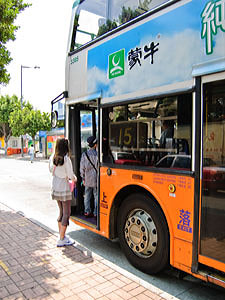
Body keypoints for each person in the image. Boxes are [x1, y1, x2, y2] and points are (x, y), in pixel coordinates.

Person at [49, 138, 77, 247]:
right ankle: (61, 239)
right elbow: (70, 175)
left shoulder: (52, 157)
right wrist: (75, 179)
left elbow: (50, 171)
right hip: (64, 188)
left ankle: (61, 236)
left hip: (55, 187)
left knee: (61, 212)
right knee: (66, 213)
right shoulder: (66, 159)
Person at [80, 136, 98, 218]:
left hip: (87, 179)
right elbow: (98, 168)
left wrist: (83, 178)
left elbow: (82, 168)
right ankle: (96, 212)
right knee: (96, 196)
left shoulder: (84, 154)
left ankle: (87, 211)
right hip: (96, 179)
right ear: (95, 145)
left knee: (87, 196)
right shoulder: (97, 155)